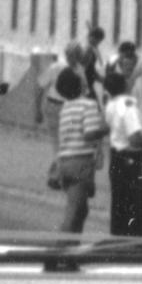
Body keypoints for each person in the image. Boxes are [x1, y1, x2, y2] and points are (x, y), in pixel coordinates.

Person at [49, 62, 106, 233]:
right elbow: (89, 134)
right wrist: (107, 128)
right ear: (80, 85)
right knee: (73, 211)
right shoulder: (88, 105)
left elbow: (73, 130)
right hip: (81, 164)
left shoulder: (66, 108)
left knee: (81, 210)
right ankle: (58, 252)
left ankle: (71, 253)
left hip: (66, 163)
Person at [100, 57, 142, 239]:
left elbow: (104, 127)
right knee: (134, 202)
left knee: (119, 201)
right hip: (130, 157)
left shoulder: (110, 104)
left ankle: (118, 236)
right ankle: (132, 240)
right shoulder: (127, 105)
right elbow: (136, 138)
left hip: (116, 155)